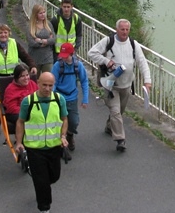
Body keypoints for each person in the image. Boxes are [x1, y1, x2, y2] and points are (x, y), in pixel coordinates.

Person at [88, 19, 151, 152]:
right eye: (122, 29)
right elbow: (91, 53)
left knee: (119, 112)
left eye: (127, 29)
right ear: (117, 29)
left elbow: (142, 62)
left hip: (126, 86)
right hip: (111, 85)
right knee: (116, 111)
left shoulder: (134, 44)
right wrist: (106, 61)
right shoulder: (108, 41)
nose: (125, 32)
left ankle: (110, 127)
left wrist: (147, 81)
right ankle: (120, 139)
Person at [14, 72, 68, 213]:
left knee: (54, 176)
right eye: (44, 85)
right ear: (37, 83)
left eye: (50, 85)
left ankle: (42, 183)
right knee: (41, 181)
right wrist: (19, 142)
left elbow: (64, 119)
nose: (47, 88)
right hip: (35, 149)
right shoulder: (28, 102)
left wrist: (63, 136)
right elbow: (20, 122)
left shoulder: (59, 100)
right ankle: (44, 209)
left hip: (53, 147)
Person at [0, 24, 37, 135]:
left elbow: (25, 56)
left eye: (5, 33)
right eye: (0, 33)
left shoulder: (14, 43)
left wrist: (32, 65)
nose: (3, 35)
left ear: (9, 33)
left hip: (13, 80)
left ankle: (15, 124)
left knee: (14, 102)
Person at [52, 43, 88, 153]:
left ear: (72, 54)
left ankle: (70, 135)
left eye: (66, 55)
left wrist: (85, 99)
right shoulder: (57, 66)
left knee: (74, 121)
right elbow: (53, 82)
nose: (63, 57)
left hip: (72, 98)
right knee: (59, 122)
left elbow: (84, 81)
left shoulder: (78, 66)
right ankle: (60, 141)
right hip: (59, 97)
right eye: (62, 55)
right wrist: (52, 97)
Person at [2, 64, 38, 133]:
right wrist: (28, 112)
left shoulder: (32, 84)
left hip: (34, 110)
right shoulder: (10, 89)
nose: (26, 78)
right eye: (22, 76)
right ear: (16, 78)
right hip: (16, 113)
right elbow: (11, 108)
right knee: (26, 118)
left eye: (27, 75)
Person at [27, 4, 56, 74]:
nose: (43, 15)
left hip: (47, 57)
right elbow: (31, 42)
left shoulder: (48, 24)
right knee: (34, 80)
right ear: (35, 14)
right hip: (34, 58)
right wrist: (43, 42)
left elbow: (54, 39)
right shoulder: (30, 26)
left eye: (44, 12)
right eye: (40, 13)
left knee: (48, 78)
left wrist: (44, 41)